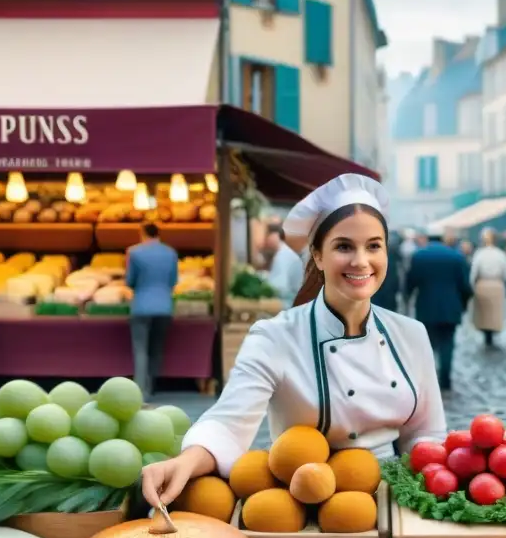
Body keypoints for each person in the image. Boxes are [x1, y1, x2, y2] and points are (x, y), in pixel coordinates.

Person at [141, 174, 448, 507]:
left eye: (373, 246)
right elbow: (229, 422)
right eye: (344, 246)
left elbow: (426, 434)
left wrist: (433, 491)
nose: (361, 261)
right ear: (317, 255)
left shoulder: (411, 334)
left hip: (394, 500)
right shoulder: (274, 336)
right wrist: (185, 461)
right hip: (305, 502)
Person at [406, 225, 471, 392]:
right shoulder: (456, 256)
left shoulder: (419, 256)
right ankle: (446, 380)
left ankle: (428, 379)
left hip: (426, 307)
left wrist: (407, 300)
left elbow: (410, 282)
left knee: (427, 345)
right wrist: (463, 305)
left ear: (428, 238)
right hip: (451, 307)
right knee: (447, 344)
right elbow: (465, 286)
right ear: (442, 238)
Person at [126, 222, 179, 398]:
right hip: (164, 306)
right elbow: (173, 281)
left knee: (140, 349)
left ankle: (141, 390)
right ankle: (153, 385)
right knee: (156, 348)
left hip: (141, 306)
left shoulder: (134, 252)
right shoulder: (170, 252)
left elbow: (130, 281)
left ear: (142, 233)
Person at [469, 228, 506, 347]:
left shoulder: (479, 254)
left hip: (483, 284)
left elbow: (474, 273)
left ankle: (487, 334)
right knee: (494, 313)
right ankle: (491, 333)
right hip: (496, 284)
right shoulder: (501, 254)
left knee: (484, 313)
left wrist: (472, 285)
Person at [263, 224, 304, 309]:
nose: (266, 239)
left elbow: (278, 286)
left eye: (268, 235)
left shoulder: (283, 254)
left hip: (290, 303)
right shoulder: (284, 252)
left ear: (275, 236)